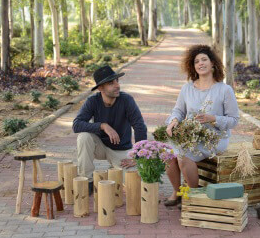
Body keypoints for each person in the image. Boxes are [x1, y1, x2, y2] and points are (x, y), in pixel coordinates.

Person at [164, 44, 239, 206]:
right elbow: (178, 111)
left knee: (183, 155)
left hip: (214, 138)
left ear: (213, 63)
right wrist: (173, 121)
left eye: (204, 59)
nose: (200, 63)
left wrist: (213, 118)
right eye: (196, 61)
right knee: (167, 154)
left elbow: (234, 120)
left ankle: (193, 195)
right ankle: (177, 192)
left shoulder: (224, 90)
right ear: (193, 66)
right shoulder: (187, 89)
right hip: (190, 135)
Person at [73, 65, 147, 193]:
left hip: (121, 150)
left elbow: (139, 126)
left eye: (117, 81)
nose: (117, 85)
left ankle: (113, 167)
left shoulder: (126, 100)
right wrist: (102, 125)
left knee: (134, 182)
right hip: (100, 147)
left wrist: (138, 156)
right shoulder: (92, 101)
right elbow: (76, 125)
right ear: (101, 88)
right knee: (84, 137)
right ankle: (87, 181)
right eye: (111, 83)